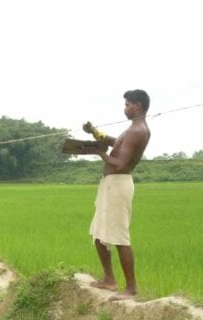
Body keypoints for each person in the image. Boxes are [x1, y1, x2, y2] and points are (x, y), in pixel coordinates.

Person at [83, 89, 151, 301]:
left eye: (127, 104)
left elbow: (120, 163)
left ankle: (131, 288)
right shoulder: (132, 129)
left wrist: (98, 152)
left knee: (120, 237)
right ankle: (109, 280)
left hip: (119, 184)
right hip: (110, 184)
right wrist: (95, 133)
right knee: (99, 234)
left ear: (137, 105)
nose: (125, 108)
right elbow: (116, 144)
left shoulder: (138, 130)